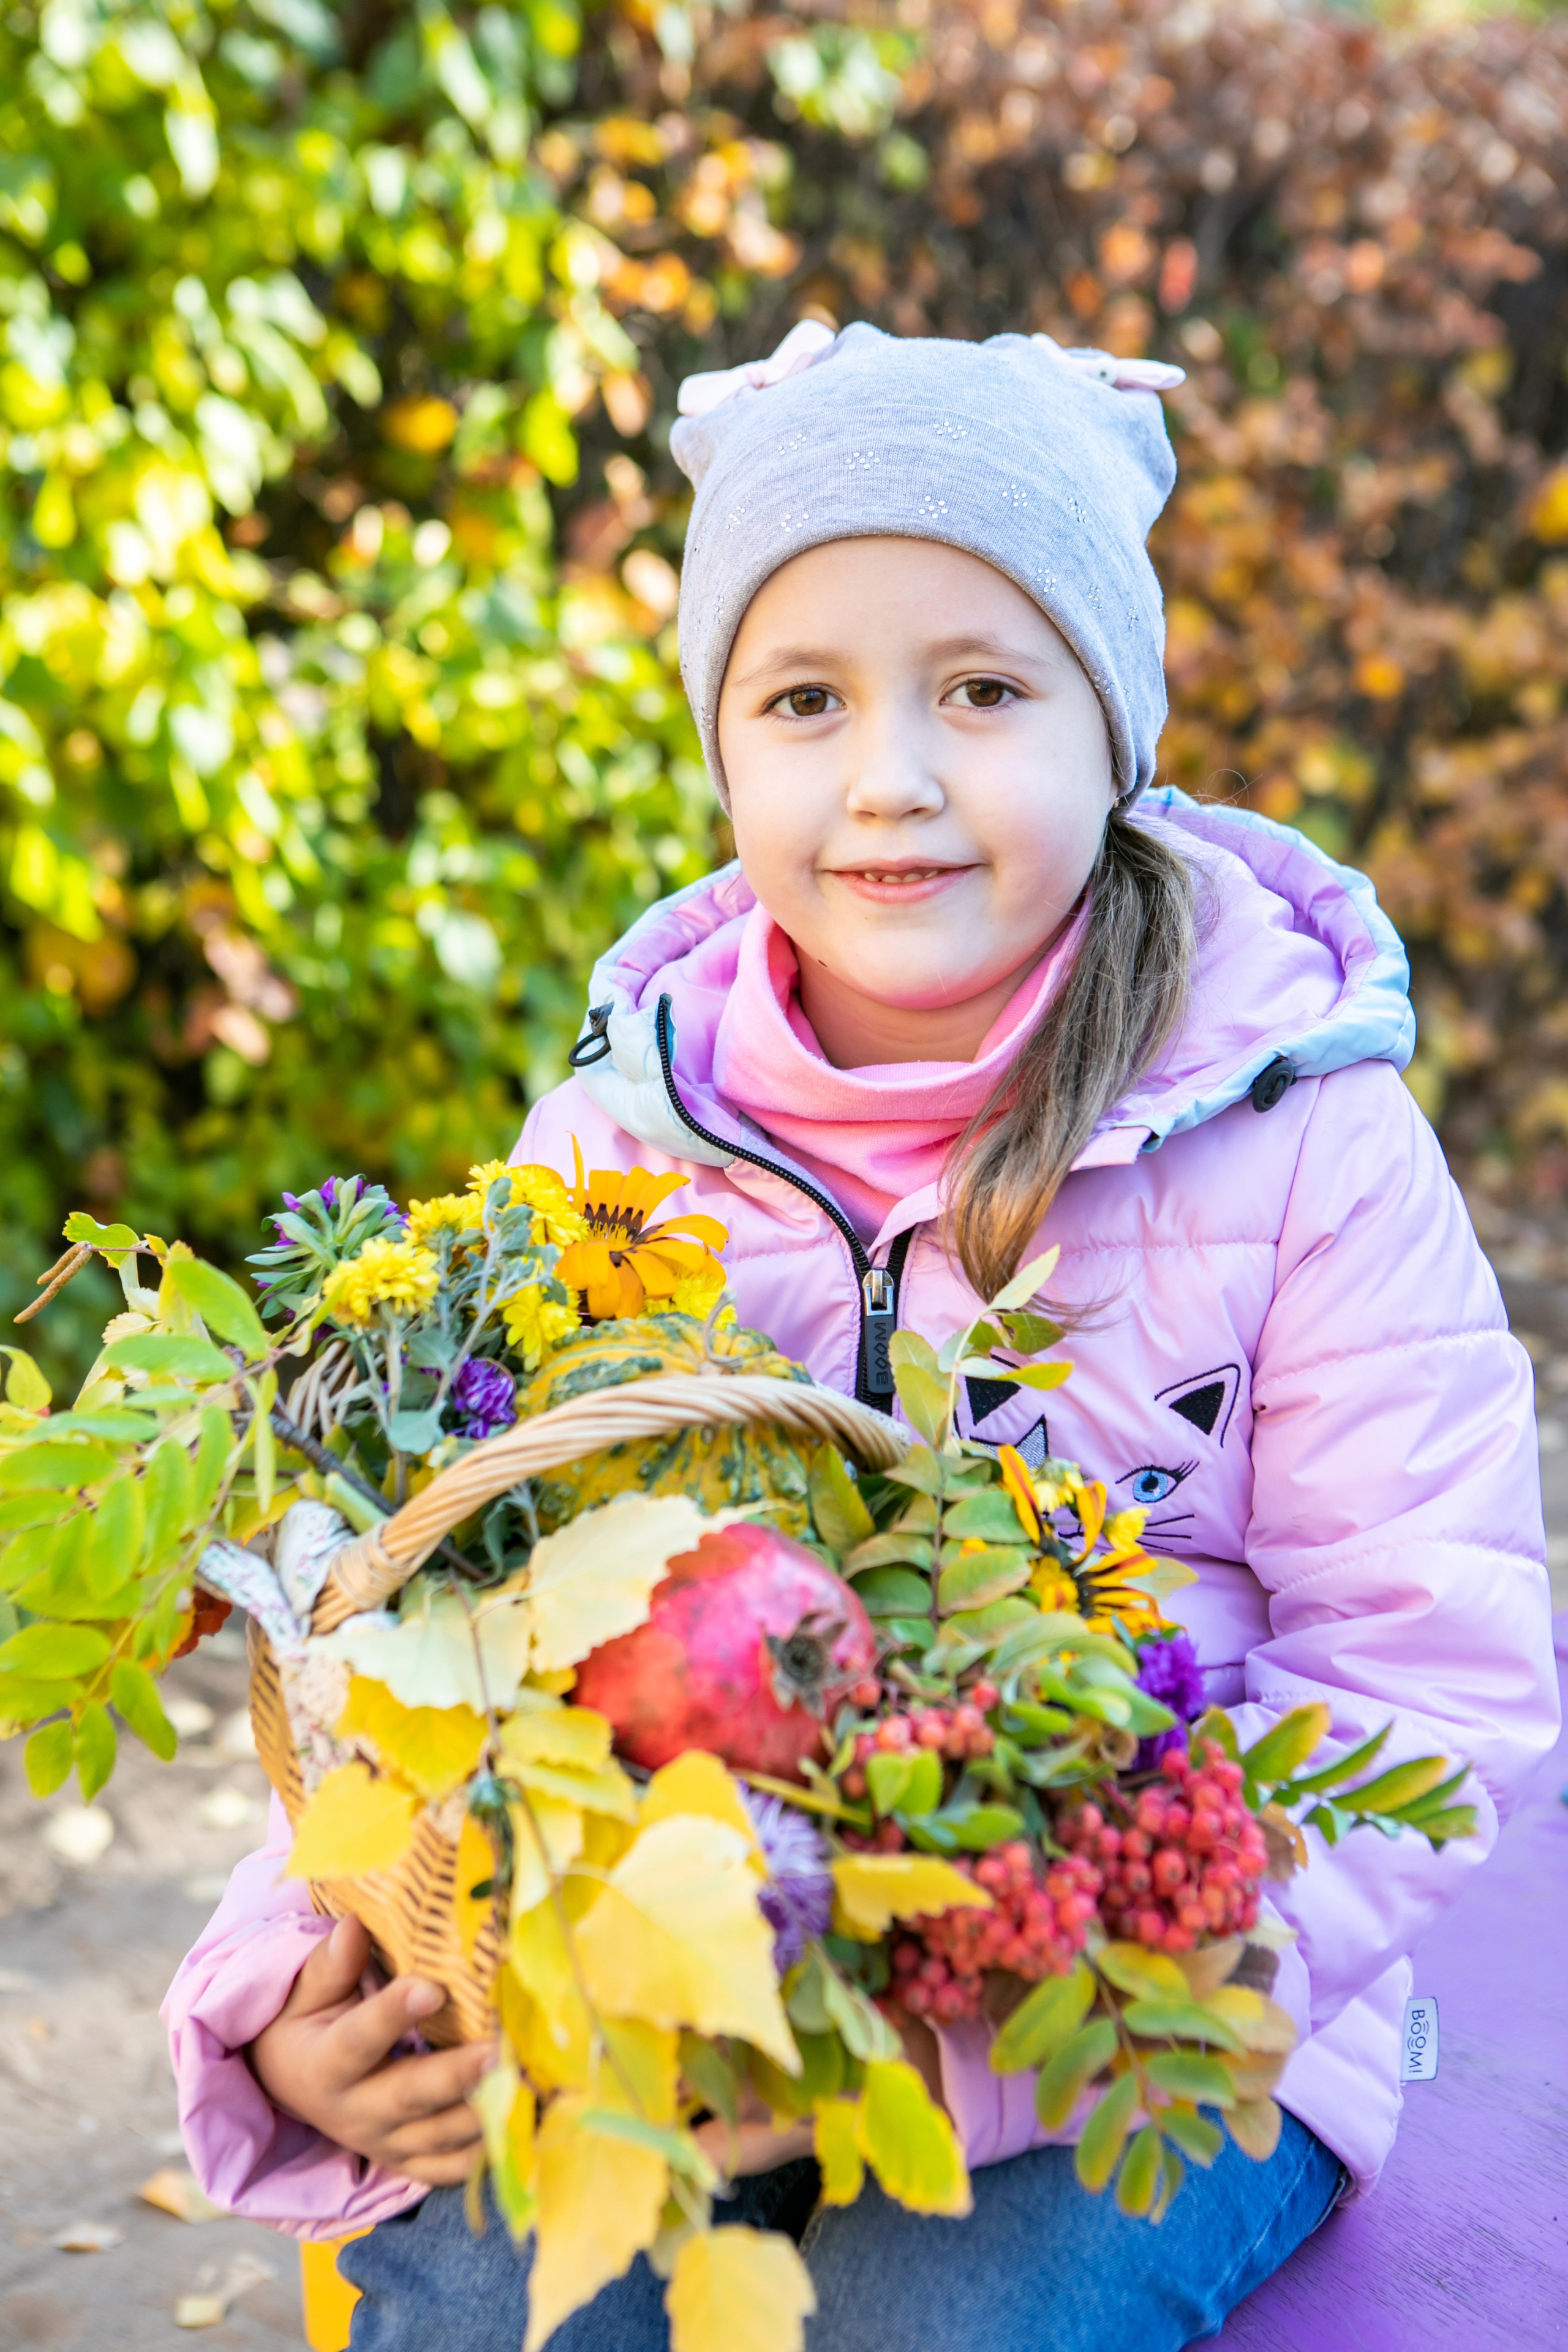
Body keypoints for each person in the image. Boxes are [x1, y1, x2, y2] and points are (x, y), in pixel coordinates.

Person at [164, 322, 1559, 2351]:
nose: (890, 777)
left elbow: (1425, 1668)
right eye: (805, 698)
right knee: (479, 2305)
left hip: (1129, 2010)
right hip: (664, 1966)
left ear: (1117, 732)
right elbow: (418, 1613)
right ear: (724, 754)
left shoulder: (1304, 1135)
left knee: (929, 2327)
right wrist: (293, 1994)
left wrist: (986, 2016)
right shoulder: (622, 1143)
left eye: (984, 690)